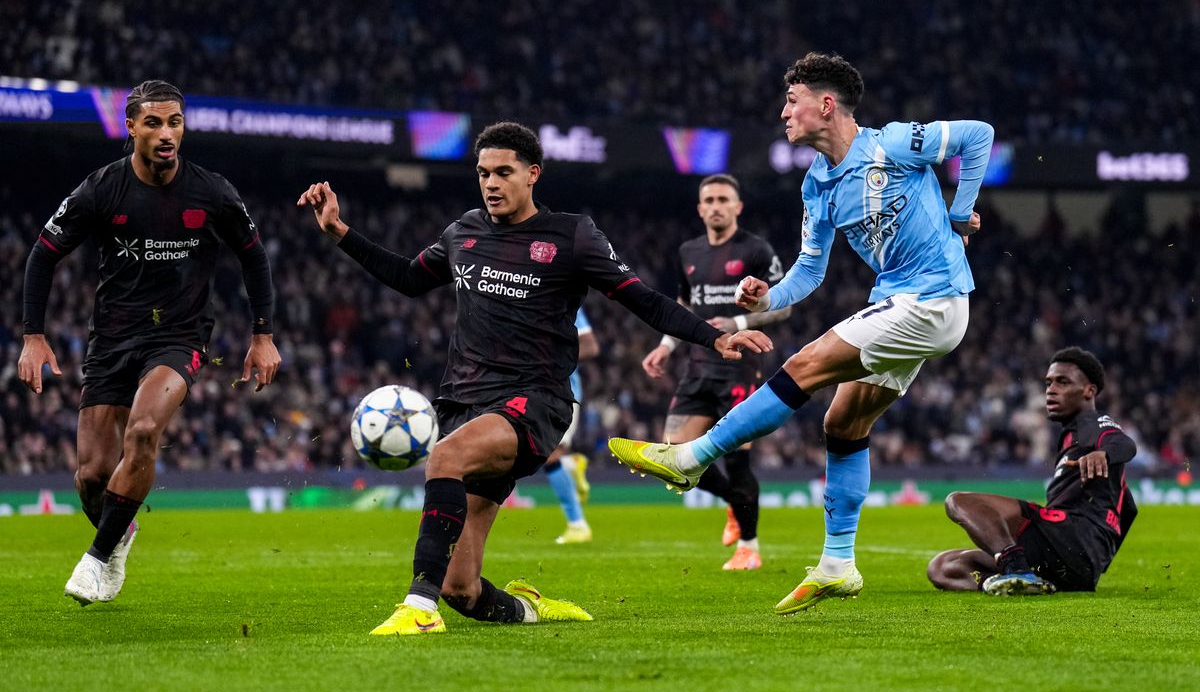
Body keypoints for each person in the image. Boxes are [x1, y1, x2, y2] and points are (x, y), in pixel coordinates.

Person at [297, 121, 770, 637]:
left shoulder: (572, 235)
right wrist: (340, 233)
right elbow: (409, 279)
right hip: (463, 402)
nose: (491, 183)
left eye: (504, 172)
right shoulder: (463, 232)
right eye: (483, 173)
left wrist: (714, 337)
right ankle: (532, 609)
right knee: (462, 588)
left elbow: (643, 298)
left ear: (533, 174)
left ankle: (417, 609)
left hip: (534, 401)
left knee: (445, 457)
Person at [610, 52, 993, 614]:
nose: (783, 111)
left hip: (931, 299)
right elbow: (809, 273)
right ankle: (839, 565)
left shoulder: (892, 143)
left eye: (792, 100)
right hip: (902, 303)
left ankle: (693, 456)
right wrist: (768, 294)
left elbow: (978, 136)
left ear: (826, 104)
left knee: (804, 366)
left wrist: (961, 215)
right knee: (843, 422)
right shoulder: (818, 184)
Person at [18, 80, 280, 606]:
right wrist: (33, 336)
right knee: (92, 476)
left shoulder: (213, 192)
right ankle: (120, 533)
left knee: (141, 432)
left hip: (179, 336)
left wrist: (263, 335)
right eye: (155, 123)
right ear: (131, 126)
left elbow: (254, 256)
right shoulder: (101, 189)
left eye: (175, 123)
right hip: (112, 338)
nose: (167, 134)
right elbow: (43, 254)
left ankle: (96, 560)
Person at [640, 173, 789, 570]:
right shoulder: (687, 252)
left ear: (738, 207)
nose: (717, 205)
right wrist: (667, 344)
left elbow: (785, 305)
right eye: (710, 200)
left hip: (742, 366)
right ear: (700, 208)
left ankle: (750, 548)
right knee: (672, 461)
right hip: (698, 365)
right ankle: (733, 504)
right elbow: (684, 305)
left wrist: (739, 325)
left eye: (724, 199)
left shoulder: (756, 250)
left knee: (738, 459)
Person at [928, 347, 1138, 595]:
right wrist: (1097, 562)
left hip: (1069, 539)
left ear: (1089, 390)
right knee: (942, 566)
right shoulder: (1072, 437)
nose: (1051, 389)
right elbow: (1129, 510)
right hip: (1068, 562)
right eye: (1049, 383)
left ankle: (1016, 569)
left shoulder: (1090, 424)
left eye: (1063, 382)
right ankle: (1011, 583)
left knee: (958, 502)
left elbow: (1123, 443)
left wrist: (1104, 454)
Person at [543, 308, 599, 545]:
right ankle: (570, 464)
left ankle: (577, 524)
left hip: (563, 393)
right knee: (541, 453)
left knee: (549, 454)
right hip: (532, 391)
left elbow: (590, 346)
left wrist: (547, 360)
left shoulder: (567, 301)